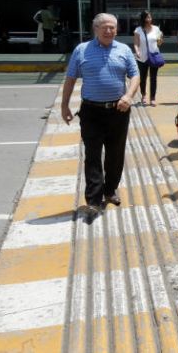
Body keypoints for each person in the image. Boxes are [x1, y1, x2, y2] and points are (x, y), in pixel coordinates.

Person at [60, 13, 140, 215]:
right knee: (92, 155)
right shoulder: (81, 50)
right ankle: (93, 199)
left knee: (115, 154)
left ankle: (110, 189)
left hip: (118, 110)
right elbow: (70, 78)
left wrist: (129, 96)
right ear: (95, 29)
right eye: (104, 27)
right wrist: (65, 105)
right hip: (91, 111)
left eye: (112, 27)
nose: (109, 31)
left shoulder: (124, 49)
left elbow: (135, 75)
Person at [133, 10, 163, 106]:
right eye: (147, 17)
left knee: (153, 78)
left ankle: (153, 98)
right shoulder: (138, 30)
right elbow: (136, 43)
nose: (149, 19)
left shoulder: (156, 29)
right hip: (142, 57)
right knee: (143, 77)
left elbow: (159, 43)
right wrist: (137, 51)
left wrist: (161, 40)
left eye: (150, 17)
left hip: (154, 56)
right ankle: (143, 96)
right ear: (143, 19)